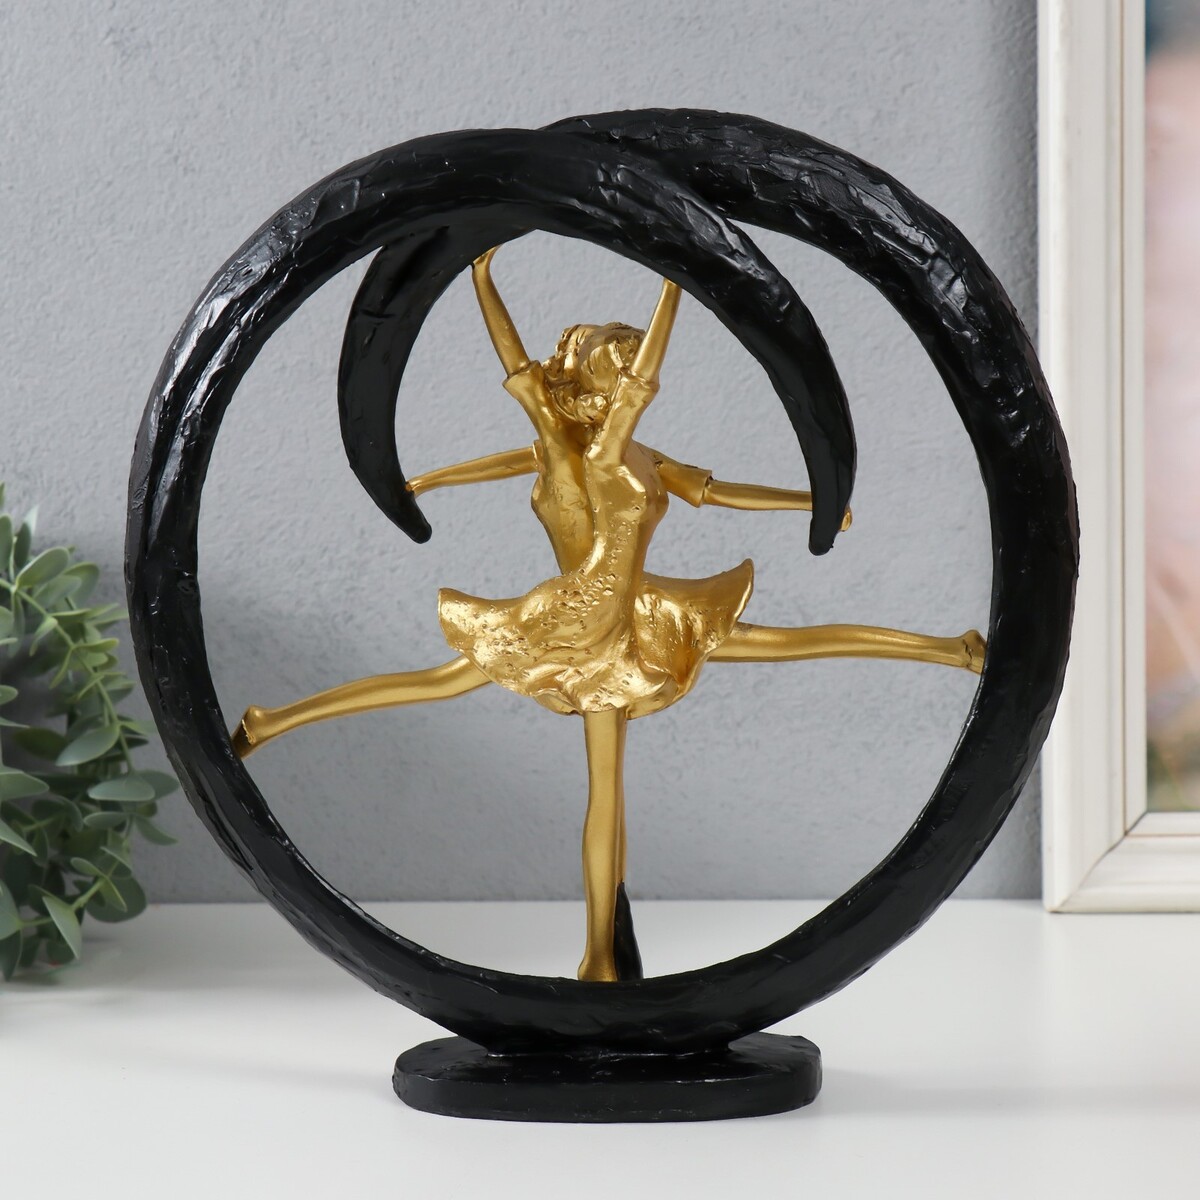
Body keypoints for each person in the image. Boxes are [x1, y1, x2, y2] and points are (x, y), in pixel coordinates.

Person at [232, 247, 986, 983]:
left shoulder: (644, 457)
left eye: (628, 357)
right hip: (577, 620)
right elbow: (527, 374)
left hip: (644, 613)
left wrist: (812, 503)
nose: (628, 373)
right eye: (615, 361)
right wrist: (516, 280)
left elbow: (718, 489)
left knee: (777, 648)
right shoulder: (568, 450)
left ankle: (952, 650)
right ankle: (273, 723)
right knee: (457, 694)